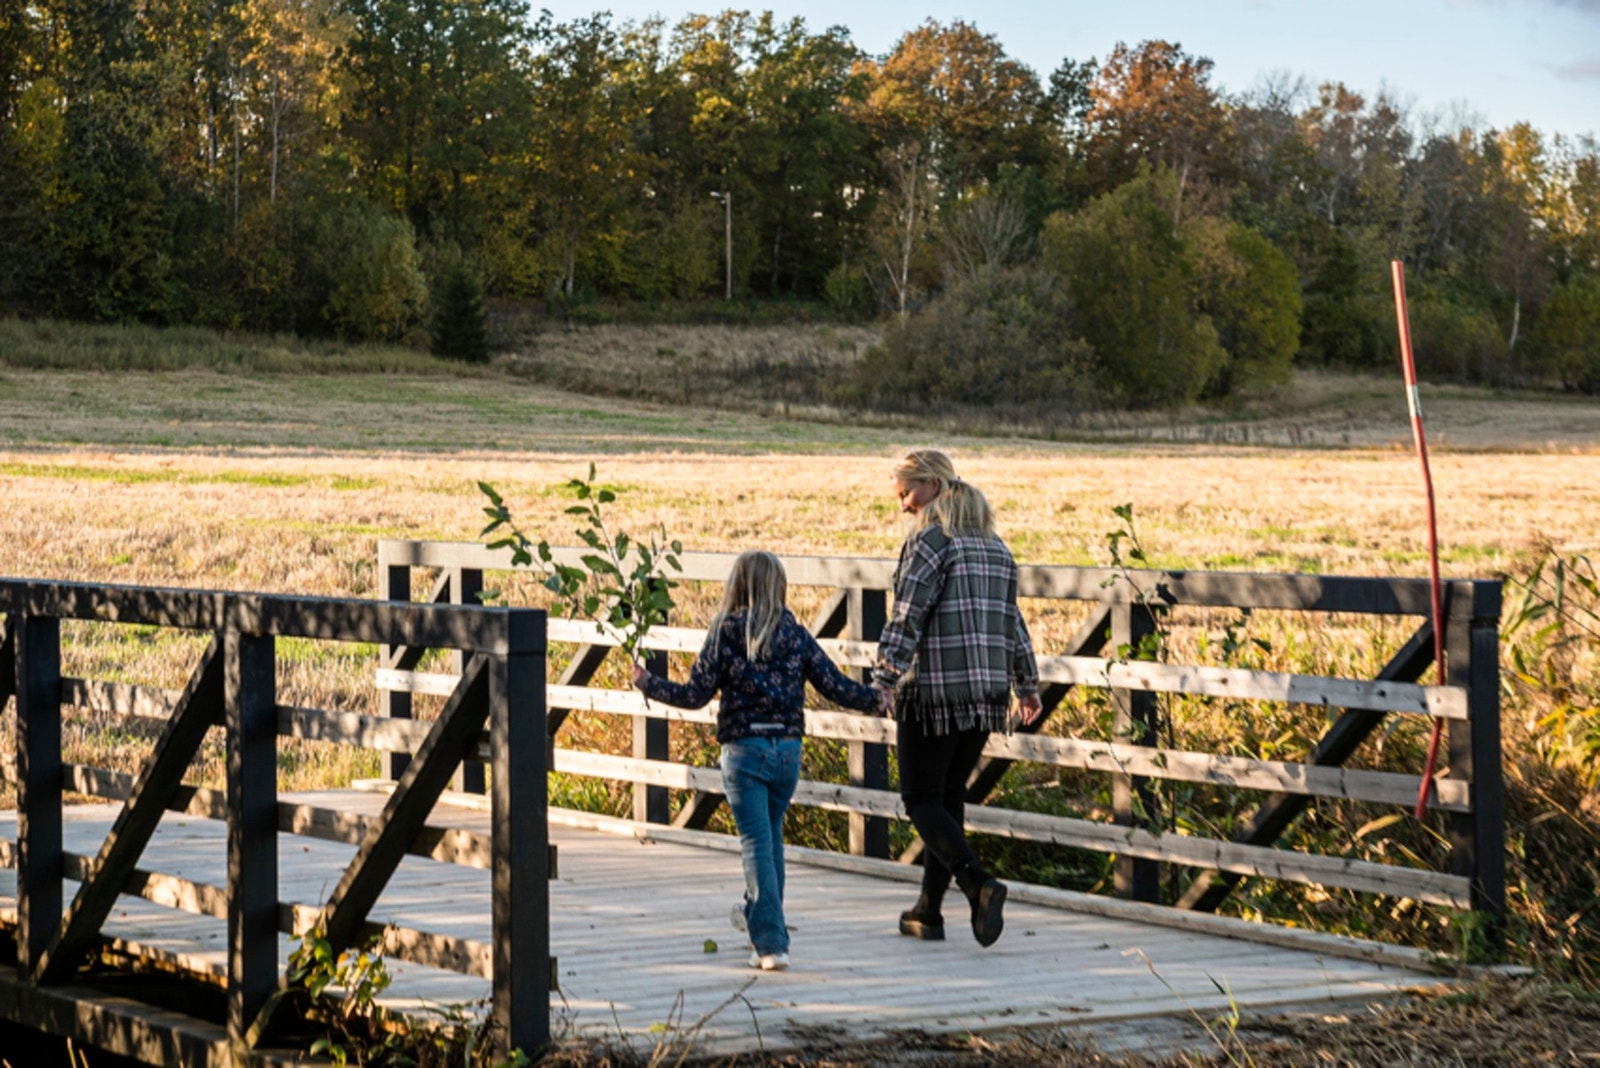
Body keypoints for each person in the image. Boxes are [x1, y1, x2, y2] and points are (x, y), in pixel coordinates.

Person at [632, 549, 880, 972]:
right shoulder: (795, 633)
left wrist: (647, 682)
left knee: (757, 844)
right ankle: (759, 919)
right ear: (778, 586)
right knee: (770, 840)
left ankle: (770, 943)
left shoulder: (726, 631)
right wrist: (875, 699)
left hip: (745, 750)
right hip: (787, 752)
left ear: (738, 585)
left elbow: (694, 695)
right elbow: (835, 684)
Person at [871, 449, 1043, 948]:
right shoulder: (996, 546)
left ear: (932, 485)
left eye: (906, 493)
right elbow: (1012, 621)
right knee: (948, 799)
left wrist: (884, 678)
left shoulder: (931, 541)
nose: (903, 505)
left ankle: (977, 884)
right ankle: (928, 912)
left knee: (920, 799)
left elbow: (908, 614)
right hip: (985, 696)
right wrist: (1027, 683)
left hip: (934, 693)